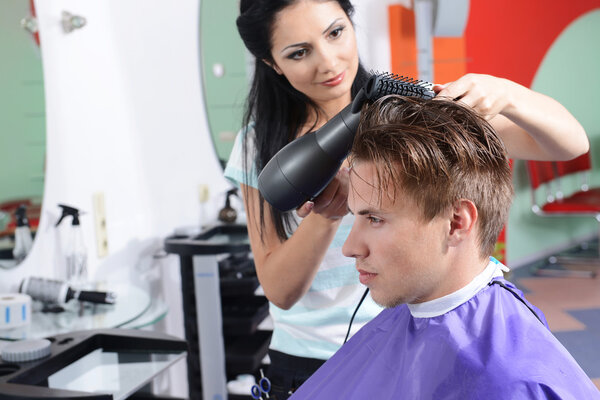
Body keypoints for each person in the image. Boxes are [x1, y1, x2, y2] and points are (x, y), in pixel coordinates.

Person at [225, 0, 589, 397]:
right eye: (299, 52)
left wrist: (508, 94)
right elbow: (280, 290)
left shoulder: (412, 115)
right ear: (272, 62)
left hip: (422, 345)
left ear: (351, 21)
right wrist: (328, 214)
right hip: (312, 364)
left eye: (335, 33)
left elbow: (569, 143)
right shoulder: (258, 146)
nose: (328, 62)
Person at [289, 95, 600, 399]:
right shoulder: (411, 315)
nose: (350, 248)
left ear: (455, 223)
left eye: (374, 219)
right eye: (356, 215)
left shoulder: (515, 381)